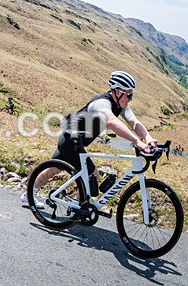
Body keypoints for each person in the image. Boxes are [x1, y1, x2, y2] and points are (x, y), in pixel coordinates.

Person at [23, 70, 157, 203]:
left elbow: (134, 122)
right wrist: (137, 142)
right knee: (91, 173)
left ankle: (28, 195)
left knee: (54, 169)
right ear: (117, 91)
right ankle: (77, 208)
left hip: (76, 140)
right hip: (71, 139)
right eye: (129, 94)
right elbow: (111, 121)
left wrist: (148, 137)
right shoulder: (101, 103)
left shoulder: (120, 105)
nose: (131, 99)